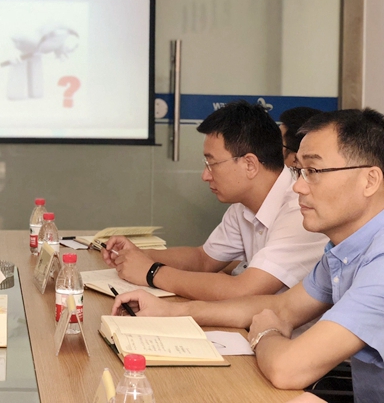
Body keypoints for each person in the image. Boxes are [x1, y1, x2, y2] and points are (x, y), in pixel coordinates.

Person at [111, 109, 384, 399]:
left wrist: (265, 332)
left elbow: (287, 368)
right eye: (299, 171)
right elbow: (282, 307)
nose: (298, 186)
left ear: (369, 181)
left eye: (314, 172)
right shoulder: (343, 250)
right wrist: (173, 312)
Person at [102, 101, 327, 300]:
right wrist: (138, 255)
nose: (205, 175)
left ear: (249, 164)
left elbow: (243, 290)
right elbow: (203, 259)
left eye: (212, 164)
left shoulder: (299, 208)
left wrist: (152, 273)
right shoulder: (243, 204)